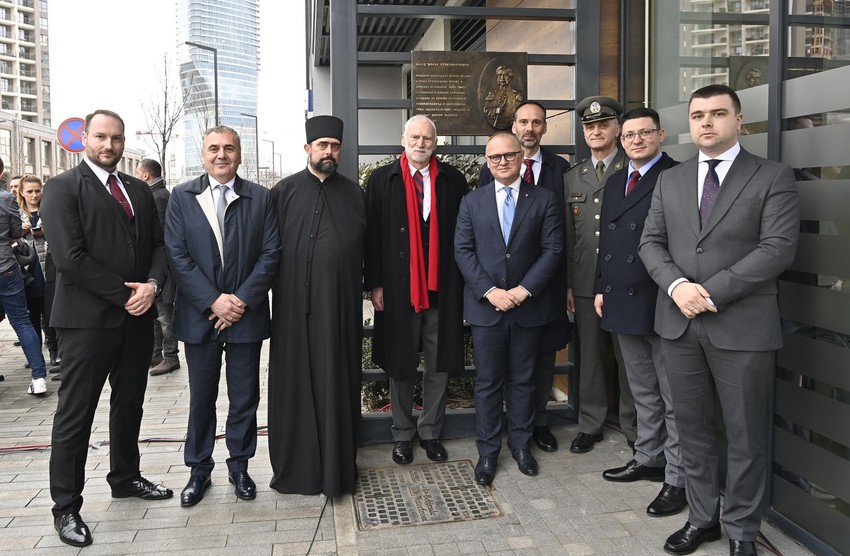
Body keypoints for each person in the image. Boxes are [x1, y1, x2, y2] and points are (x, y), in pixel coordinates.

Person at [639, 85, 799, 556]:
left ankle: (743, 531)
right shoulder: (671, 180)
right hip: (679, 324)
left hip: (743, 326)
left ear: (738, 120)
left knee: (745, 435)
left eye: (717, 113)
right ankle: (702, 518)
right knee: (692, 430)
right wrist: (677, 286)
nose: (706, 122)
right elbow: (650, 242)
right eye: (698, 115)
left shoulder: (772, 176)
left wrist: (709, 293)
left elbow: (778, 248)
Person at [41, 109, 173, 548]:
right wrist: (125, 294)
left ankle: (125, 476)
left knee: (130, 403)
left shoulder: (138, 189)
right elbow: (69, 258)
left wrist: (152, 286)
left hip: (136, 321)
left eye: (116, 138)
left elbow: (158, 245)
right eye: (100, 137)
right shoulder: (62, 189)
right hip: (86, 323)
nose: (109, 145)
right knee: (75, 414)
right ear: (85, 138)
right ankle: (65, 506)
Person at [165, 125, 280, 508]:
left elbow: (271, 254)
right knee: (201, 398)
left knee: (245, 398)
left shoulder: (261, 197)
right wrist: (213, 301)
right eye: (213, 148)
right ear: (203, 155)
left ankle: (240, 466)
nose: (221, 155)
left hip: (246, 316)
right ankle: (199, 469)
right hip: (200, 317)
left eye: (229, 148)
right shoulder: (182, 197)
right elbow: (176, 255)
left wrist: (239, 301)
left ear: (239, 155)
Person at [454, 131, 563, 486]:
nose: (502, 162)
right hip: (487, 310)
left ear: (520, 157)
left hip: (527, 307)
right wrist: (490, 292)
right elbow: (463, 251)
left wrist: (522, 290)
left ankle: (520, 445)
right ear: (487, 162)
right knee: (487, 382)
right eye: (495, 157)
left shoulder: (544, 199)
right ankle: (487, 452)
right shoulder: (472, 201)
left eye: (509, 155)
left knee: (523, 381)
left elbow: (552, 250)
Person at [593, 107, 685, 518]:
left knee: (673, 395)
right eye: (629, 135)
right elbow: (607, 241)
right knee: (642, 389)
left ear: (660, 135)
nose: (636, 140)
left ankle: (677, 477)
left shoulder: (677, 176)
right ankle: (649, 457)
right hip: (621, 298)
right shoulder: (616, 180)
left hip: (661, 298)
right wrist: (600, 287)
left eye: (644, 133)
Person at [267, 115, 365, 497]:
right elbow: (269, 250)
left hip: (340, 309)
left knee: (336, 381)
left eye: (335, 146)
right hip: (292, 309)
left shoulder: (354, 194)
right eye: (322, 145)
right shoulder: (284, 192)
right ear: (308, 148)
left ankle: (338, 468)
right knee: (295, 383)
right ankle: (297, 469)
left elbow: (369, 248)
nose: (329, 152)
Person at [364, 115, 467, 466]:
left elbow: (463, 234)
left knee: (439, 364)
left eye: (427, 138)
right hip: (398, 290)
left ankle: (431, 432)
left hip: (442, 289)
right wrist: (376, 283)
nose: (421, 143)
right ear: (403, 139)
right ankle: (402, 434)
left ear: (435, 143)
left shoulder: (452, 180)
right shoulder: (382, 179)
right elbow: (372, 237)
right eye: (415, 137)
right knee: (400, 363)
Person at [480, 101, 571, 453]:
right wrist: (494, 290)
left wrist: (536, 286)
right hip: (499, 294)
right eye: (523, 121)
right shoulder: (490, 174)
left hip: (543, 285)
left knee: (542, 360)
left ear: (544, 127)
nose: (529, 127)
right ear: (514, 126)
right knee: (505, 371)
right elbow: (485, 233)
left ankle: (538, 425)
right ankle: (511, 431)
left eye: (536, 122)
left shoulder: (560, 169)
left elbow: (561, 234)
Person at [564, 95, 636, 454]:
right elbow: (568, 234)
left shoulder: (633, 167)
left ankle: (635, 427)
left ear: (617, 128)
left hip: (624, 281)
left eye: (603, 125)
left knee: (630, 359)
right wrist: (567, 283)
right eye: (590, 126)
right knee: (589, 357)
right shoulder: (572, 176)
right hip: (584, 280)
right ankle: (590, 424)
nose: (596, 131)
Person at [0, 171, 48, 396]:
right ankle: (39, 378)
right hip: (6, 267)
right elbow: (15, 232)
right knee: (22, 322)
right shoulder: (6, 199)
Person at [136, 159, 180, 376]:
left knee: (164, 315)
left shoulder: (158, 197)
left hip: (164, 268)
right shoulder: (157, 194)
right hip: (158, 267)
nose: (136, 177)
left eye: (137, 173)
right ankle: (156, 354)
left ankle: (171, 357)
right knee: (156, 314)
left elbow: (161, 236)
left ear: (146, 175)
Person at [17, 174, 60, 369]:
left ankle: (54, 350)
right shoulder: (15, 213)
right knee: (31, 314)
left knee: (49, 312)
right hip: (26, 270)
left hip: (47, 268)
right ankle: (34, 355)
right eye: (30, 191)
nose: (34, 195)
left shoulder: (49, 209)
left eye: (37, 191)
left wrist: (48, 232)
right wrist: (19, 232)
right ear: (22, 193)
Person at [482, 65, 523, 130]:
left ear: (510, 78)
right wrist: (495, 111)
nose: (502, 78)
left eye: (505, 75)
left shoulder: (516, 96)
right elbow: (486, 110)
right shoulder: (492, 95)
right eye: (500, 75)